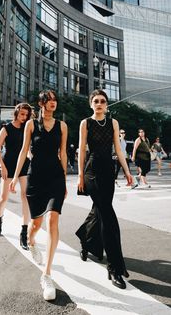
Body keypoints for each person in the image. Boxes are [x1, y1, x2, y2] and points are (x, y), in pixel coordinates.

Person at [9, 90, 68, 301]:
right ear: (41, 103)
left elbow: (63, 153)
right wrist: (15, 177)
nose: (53, 103)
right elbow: (24, 151)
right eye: (49, 100)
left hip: (55, 178)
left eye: (54, 100)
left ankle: (47, 274)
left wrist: (65, 180)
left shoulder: (62, 126)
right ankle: (31, 241)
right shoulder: (31, 125)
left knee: (53, 219)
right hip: (36, 178)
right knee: (36, 224)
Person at [76, 89, 133, 290]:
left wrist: (127, 171)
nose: (99, 104)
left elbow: (118, 148)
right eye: (96, 101)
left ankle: (85, 237)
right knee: (108, 217)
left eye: (102, 101)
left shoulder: (113, 123)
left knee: (99, 211)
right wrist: (80, 176)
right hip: (92, 172)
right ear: (91, 104)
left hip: (109, 171)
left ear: (107, 105)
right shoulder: (86, 123)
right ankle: (114, 268)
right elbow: (82, 150)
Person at [0, 103, 32, 249]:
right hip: (8, 165)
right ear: (16, 113)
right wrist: (2, 166)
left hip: (24, 165)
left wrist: (34, 158)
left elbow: (27, 150)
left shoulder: (27, 129)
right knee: (4, 198)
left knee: (25, 197)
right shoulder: (6, 128)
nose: (24, 117)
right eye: (22, 114)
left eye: (26, 115)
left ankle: (24, 232)